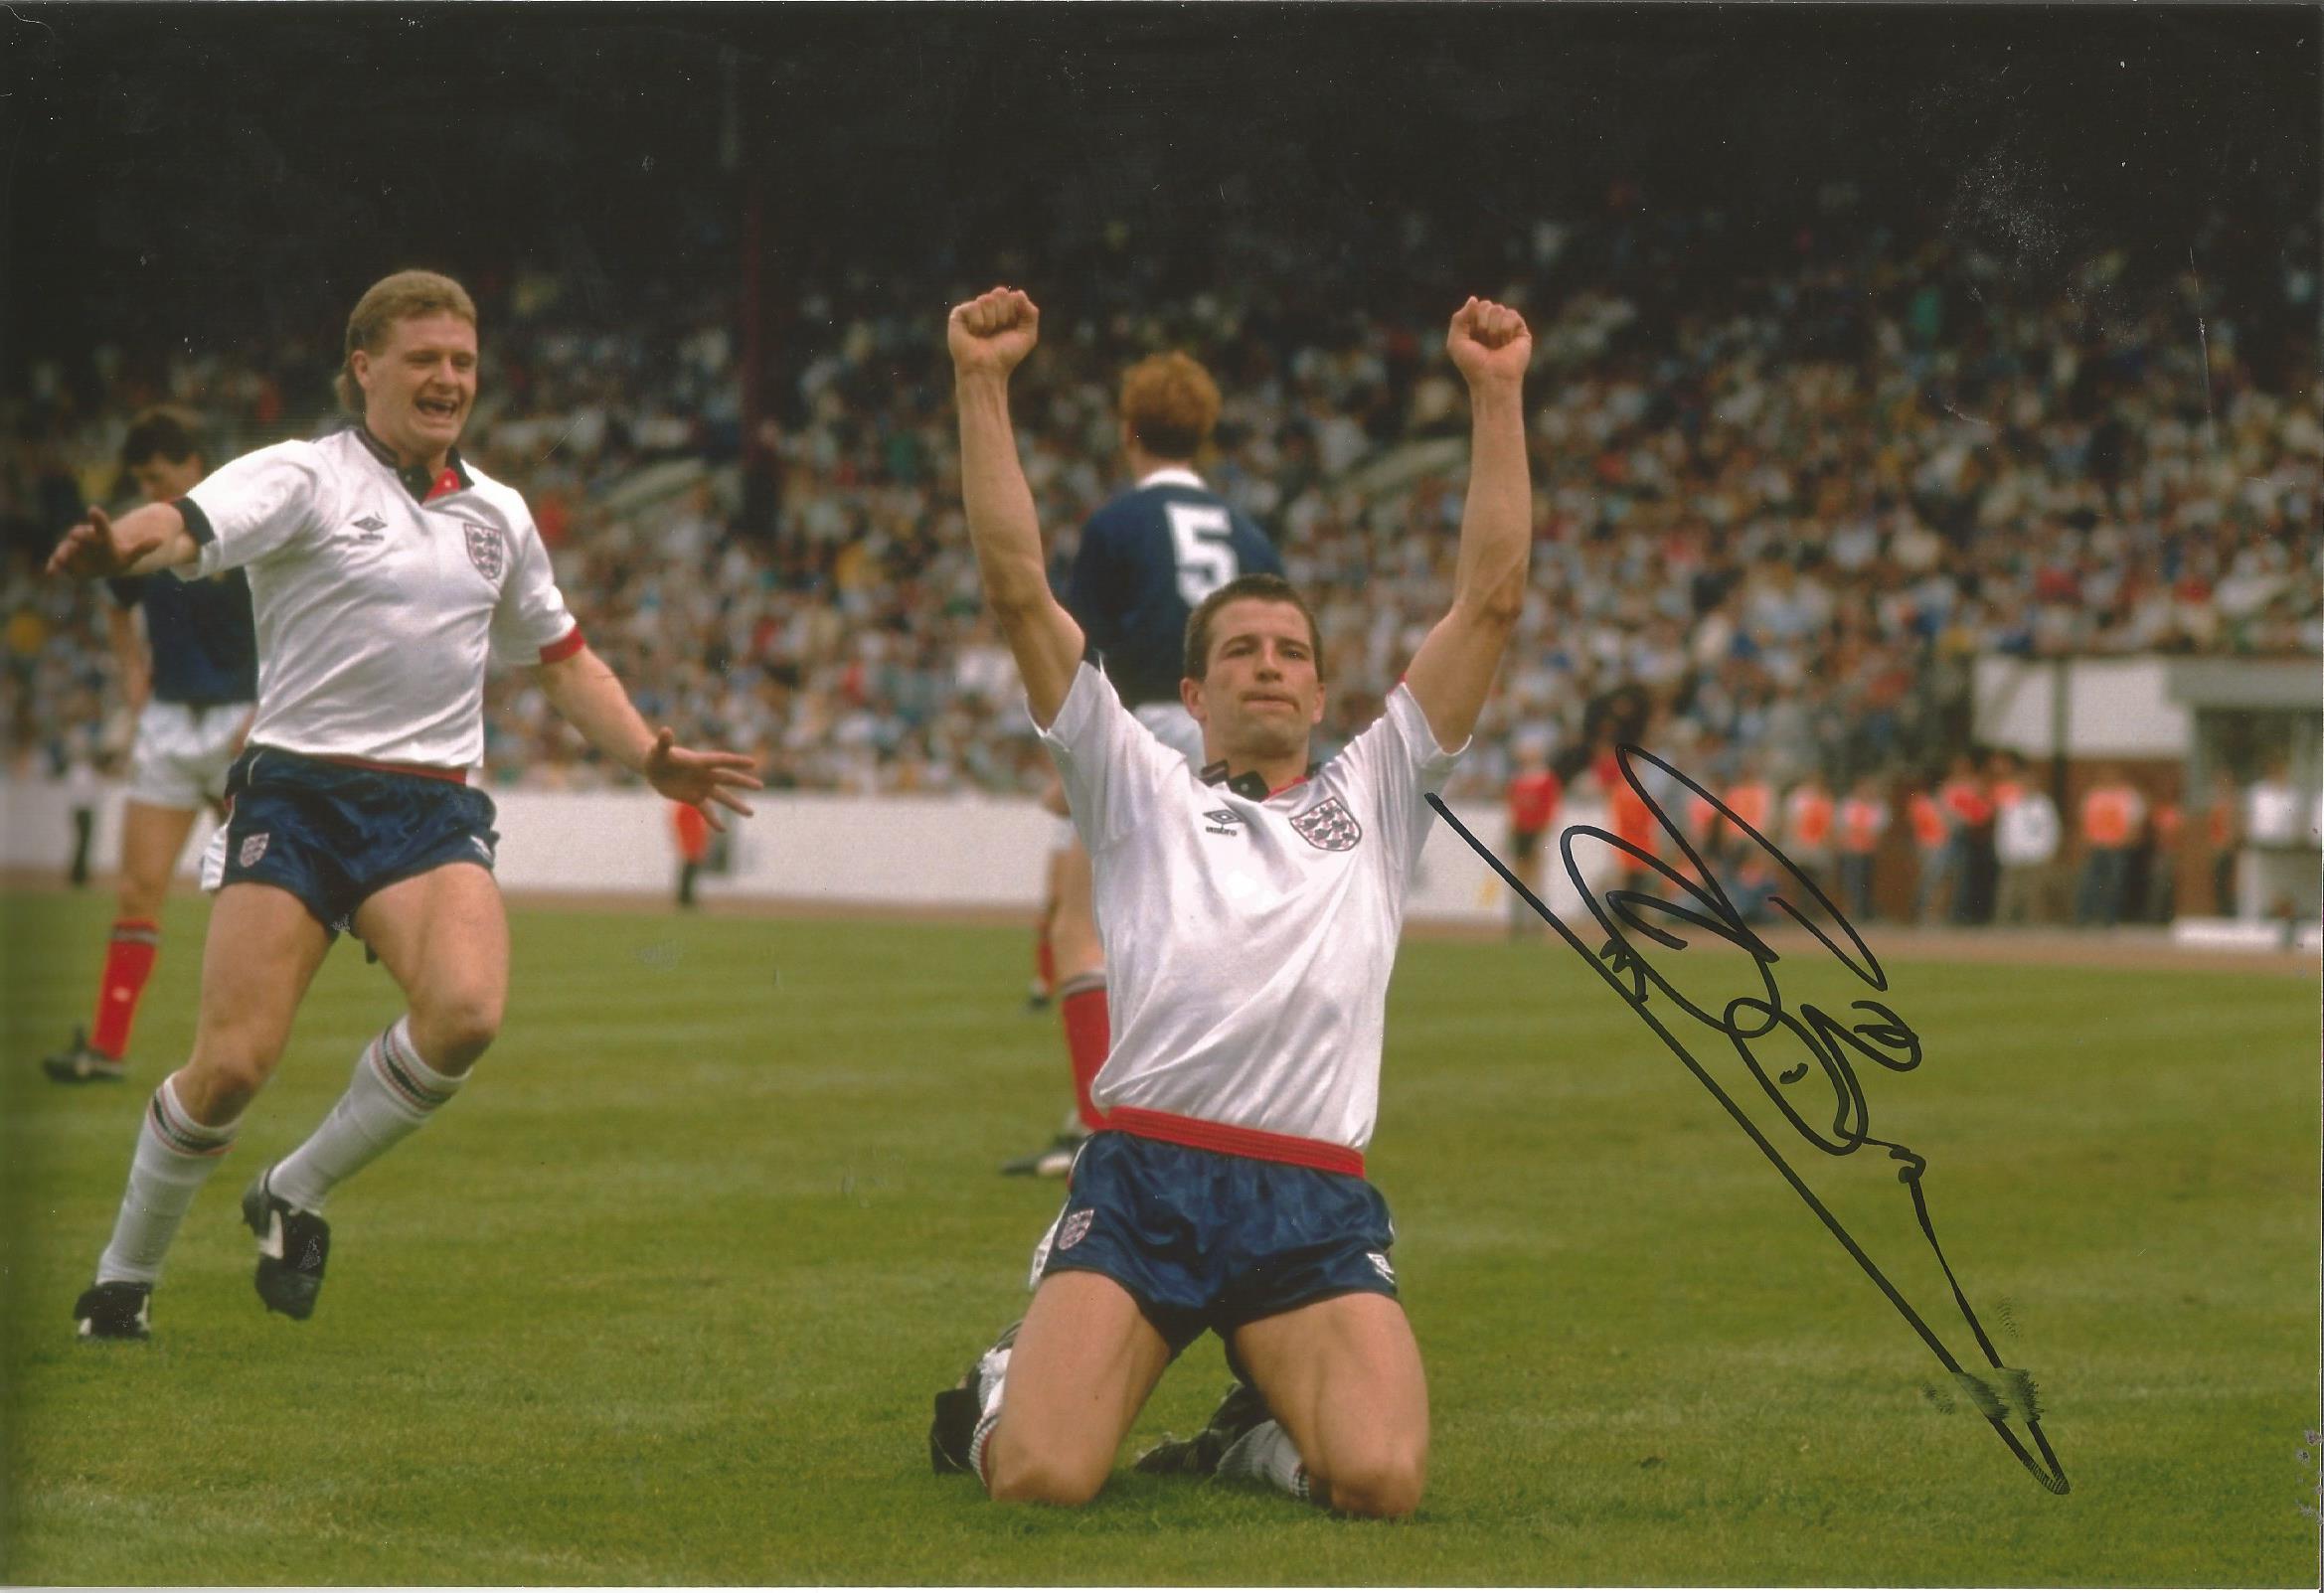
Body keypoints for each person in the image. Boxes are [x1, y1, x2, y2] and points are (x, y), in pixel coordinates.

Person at [45, 270, 761, 1343]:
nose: (447, 379)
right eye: (424, 358)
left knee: (467, 1011)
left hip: (429, 809)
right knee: (232, 1065)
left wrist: (649, 754)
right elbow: (186, 523)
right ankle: (122, 1279)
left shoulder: (498, 514)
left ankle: (293, 1188)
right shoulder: (302, 475)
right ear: (363, 368)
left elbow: (562, 660)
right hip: (295, 790)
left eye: (463, 362)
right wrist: (119, 547)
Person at [928, 285, 1532, 1517]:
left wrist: (1498, 394)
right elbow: (1013, 585)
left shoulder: (1379, 788)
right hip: (1146, 1176)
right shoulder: (1134, 784)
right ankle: (1005, 1378)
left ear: (1322, 695)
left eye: (1293, 652)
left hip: (1307, 1196)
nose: (1271, 663)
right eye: (1242, 652)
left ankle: (1247, 1436)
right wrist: (982, 386)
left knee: (1379, 1479)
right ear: (1191, 696)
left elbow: (1489, 601)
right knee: (1040, 1476)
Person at [1003, 350, 1284, 1178]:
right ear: (1206, 432)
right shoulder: (1250, 532)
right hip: (1229, 733)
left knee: (1081, 921)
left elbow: (1073, 652)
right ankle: (1211, 1113)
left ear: (1129, 432)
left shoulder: (1118, 524)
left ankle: (1102, 1124)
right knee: (1213, 929)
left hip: (1144, 724)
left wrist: (1074, 764)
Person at [45, 408, 257, 1084]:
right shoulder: (146, 534)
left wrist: (267, 705)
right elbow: (115, 599)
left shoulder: (244, 520)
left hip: (244, 724)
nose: (151, 490)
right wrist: (133, 672)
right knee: (138, 889)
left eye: (158, 475)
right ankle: (107, 1046)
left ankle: (247, 1043)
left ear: (193, 464)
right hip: (169, 725)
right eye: (141, 479)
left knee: (264, 892)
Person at [1503, 740, 1562, 938]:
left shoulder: (1545, 779)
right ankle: (1519, 923)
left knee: (1535, 877)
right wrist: (1509, 834)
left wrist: (1543, 833)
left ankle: (1535, 923)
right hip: (1521, 831)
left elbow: (1549, 809)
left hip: (1535, 831)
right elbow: (1513, 810)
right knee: (1520, 876)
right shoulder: (1519, 779)